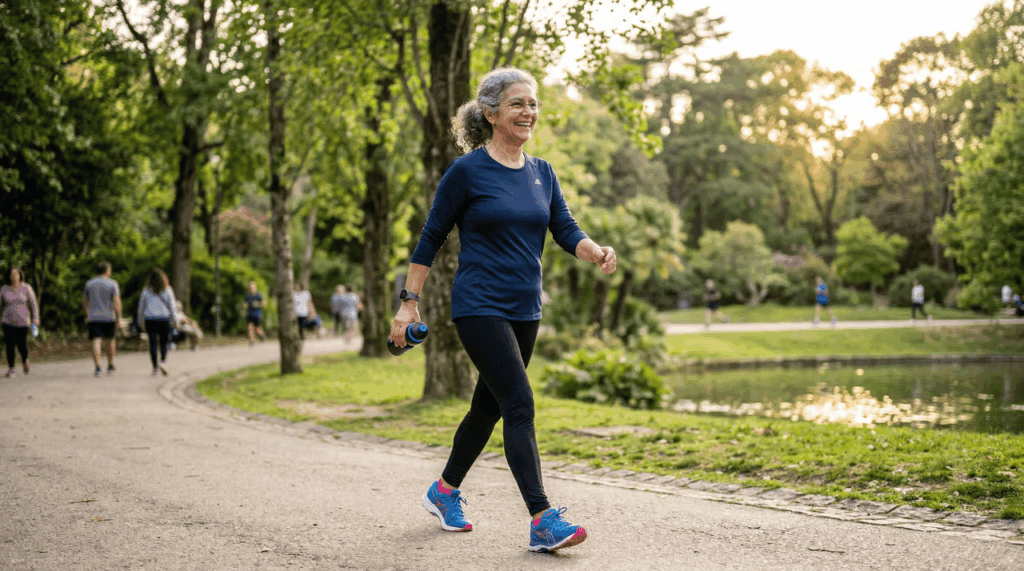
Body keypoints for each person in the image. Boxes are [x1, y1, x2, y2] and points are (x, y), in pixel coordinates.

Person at [391, 67, 616, 553]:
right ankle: (541, 520)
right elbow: (430, 237)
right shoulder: (467, 171)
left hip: (524, 308)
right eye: (517, 104)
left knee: (487, 407)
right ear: (491, 113)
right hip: (479, 305)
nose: (528, 112)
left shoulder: (542, 172)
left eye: (532, 104)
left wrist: (595, 250)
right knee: (519, 403)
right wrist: (407, 304)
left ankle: (444, 490)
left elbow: (565, 229)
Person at [83, 261, 122, 377]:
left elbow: (85, 301)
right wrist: (119, 317)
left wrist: (86, 314)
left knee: (96, 341)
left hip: (93, 317)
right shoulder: (113, 284)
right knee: (110, 340)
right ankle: (110, 364)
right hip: (109, 317)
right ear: (107, 271)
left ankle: (97, 366)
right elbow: (116, 301)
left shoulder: (89, 284)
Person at [137, 269, 177, 376]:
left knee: (153, 343)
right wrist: (175, 320)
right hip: (164, 319)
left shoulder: (146, 291)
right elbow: (172, 307)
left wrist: (140, 320)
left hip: (150, 320)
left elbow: (141, 307)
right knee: (164, 343)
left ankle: (154, 368)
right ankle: (163, 362)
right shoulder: (167, 290)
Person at [1, 267, 39, 378]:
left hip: (23, 321)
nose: (14, 276)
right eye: (12, 274)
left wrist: (35, 318)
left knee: (22, 345)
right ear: (9, 276)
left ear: (20, 275)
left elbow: (33, 304)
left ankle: (25, 360)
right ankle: (11, 368)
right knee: (10, 345)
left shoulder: (26, 288)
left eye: (16, 274)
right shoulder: (4, 289)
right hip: (7, 321)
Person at [245, 282, 266, 346]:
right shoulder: (248, 296)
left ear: (255, 288)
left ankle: (262, 335)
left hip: (257, 315)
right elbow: (245, 304)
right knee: (250, 327)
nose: (252, 289)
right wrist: (245, 306)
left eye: (253, 287)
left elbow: (264, 303)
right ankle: (252, 341)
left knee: (257, 330)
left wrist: (258, 304)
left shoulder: (258, 295)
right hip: (250, 314)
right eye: (251, 287)